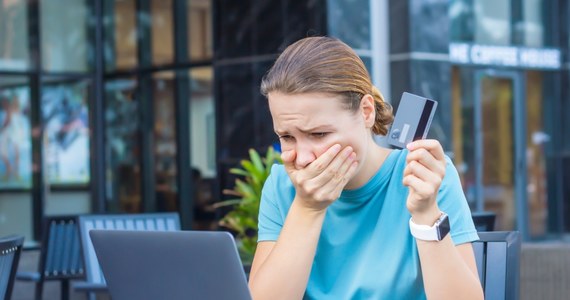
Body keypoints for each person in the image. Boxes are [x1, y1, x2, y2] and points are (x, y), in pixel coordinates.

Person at [248, 37, 483, 300]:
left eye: (319, 134)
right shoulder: (282, 186)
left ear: (366, 112)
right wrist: (307, 209)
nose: (302, 159)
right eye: (287, 137)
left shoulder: (422, 176)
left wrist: (426, 214)